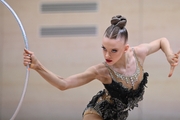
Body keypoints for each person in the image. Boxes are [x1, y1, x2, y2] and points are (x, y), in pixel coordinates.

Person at [23, 15, 180, 120]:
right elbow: (63, 84)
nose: (107, 55)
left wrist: (168, 55)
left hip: (119, 116)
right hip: (97, 114)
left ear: (126, 49)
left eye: (113, 50)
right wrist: (38, 66)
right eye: (104, 48)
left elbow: (161, 41)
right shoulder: (102, 71)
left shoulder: (139, 54)